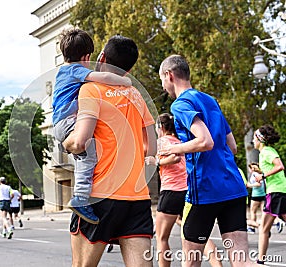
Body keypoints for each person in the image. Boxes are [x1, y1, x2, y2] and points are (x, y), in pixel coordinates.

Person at [62, 35, 157, 267]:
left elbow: (80, 142)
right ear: (129, 67)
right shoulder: (136, 95)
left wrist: (67, 143)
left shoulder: (91, 90)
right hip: (136, 196)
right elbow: (151, 146)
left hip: (99, 195)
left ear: (102, 57)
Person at [158, 55, 258, 266]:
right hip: (232, 187)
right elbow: (232, 147)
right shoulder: (210, 101)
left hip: (204, 190)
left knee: (191, 260)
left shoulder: (180, 104)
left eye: (162, 81)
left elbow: (205, 141)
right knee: (241, 259)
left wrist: (173, 148)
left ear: (169, 75)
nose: (164, 87)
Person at [53, 28, 132, 225]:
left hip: (61, 124)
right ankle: (80, 198)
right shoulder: (76, 70)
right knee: (89, 156)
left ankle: (83, 194)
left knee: (84, 158)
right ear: (87, 56)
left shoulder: (63, 71)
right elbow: (103, 78)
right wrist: (124, 81)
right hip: (68, 123)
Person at [146, 113, 222, 267]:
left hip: (171, 192)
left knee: (161, 237)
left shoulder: (162, 142)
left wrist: (157, 161)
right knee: (200, 236)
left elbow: (174, 158)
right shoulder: (180, 141)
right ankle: (217, 265)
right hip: (188, 191)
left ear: (160, 127)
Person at [253, 125, 286, 265]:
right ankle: (261, 259)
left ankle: (261, 260)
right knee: (264, 228)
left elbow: (279, 166)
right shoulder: (266, 152)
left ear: (260, 139)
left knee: (264, 229)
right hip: (277, 191)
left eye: (254, 138)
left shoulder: (266, 151)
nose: (252, 141)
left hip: (276, 192)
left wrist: (263, 176)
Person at [246, 162, 266, 234]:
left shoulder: (254, 174)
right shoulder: (261, 173)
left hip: (256, 195)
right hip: (263, 194)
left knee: (253, 211)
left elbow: (258, 184)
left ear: (251, 168)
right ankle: (264, 227)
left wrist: (249, 185)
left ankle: (252, 228)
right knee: (263, 211)